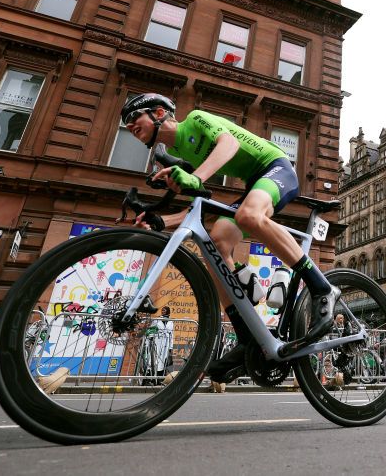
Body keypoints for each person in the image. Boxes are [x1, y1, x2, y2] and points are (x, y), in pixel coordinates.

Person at [121, 93, 340, 385]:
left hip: (276, 168)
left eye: (135, 119)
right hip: (254, 183)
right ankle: (247, 338)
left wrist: (195, 177)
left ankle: (322, 287)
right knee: (216, 241)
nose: (130, 126)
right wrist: (161, 221)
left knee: (249, 216)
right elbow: (198, 209)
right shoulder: (185, 155)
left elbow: (230, 143)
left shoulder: (196, 120)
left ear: (159, 112)